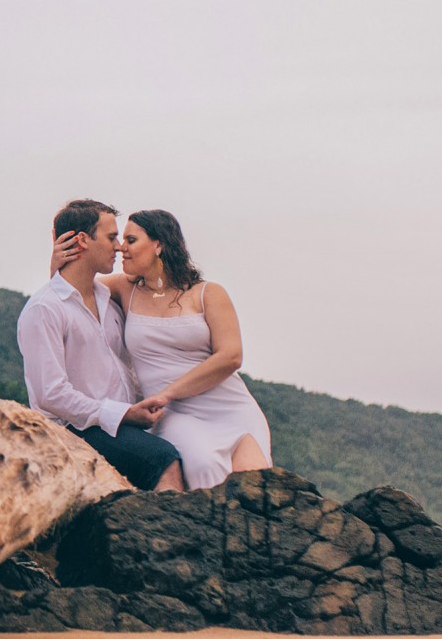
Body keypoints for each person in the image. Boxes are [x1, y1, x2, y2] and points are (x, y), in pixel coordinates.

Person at [93, 208, 271, 489]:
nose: (121, 248)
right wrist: (59, 260)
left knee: (257, 489)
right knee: (203, 472)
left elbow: (231, 357)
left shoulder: (208, 293)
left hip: (230, 408)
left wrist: (168, 393)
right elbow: (69, 291)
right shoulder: (124, 289)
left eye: (131, 240)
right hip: (173, 414)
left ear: (159, 245)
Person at [16, 199, 184, 491]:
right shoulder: (44, 309)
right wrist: (122, 414)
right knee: (163, 458)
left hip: (121, 423)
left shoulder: (108, 298)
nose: (119, 246)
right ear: (82, 241)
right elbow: (50, 395)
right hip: (75, 430)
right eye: (111, 237)